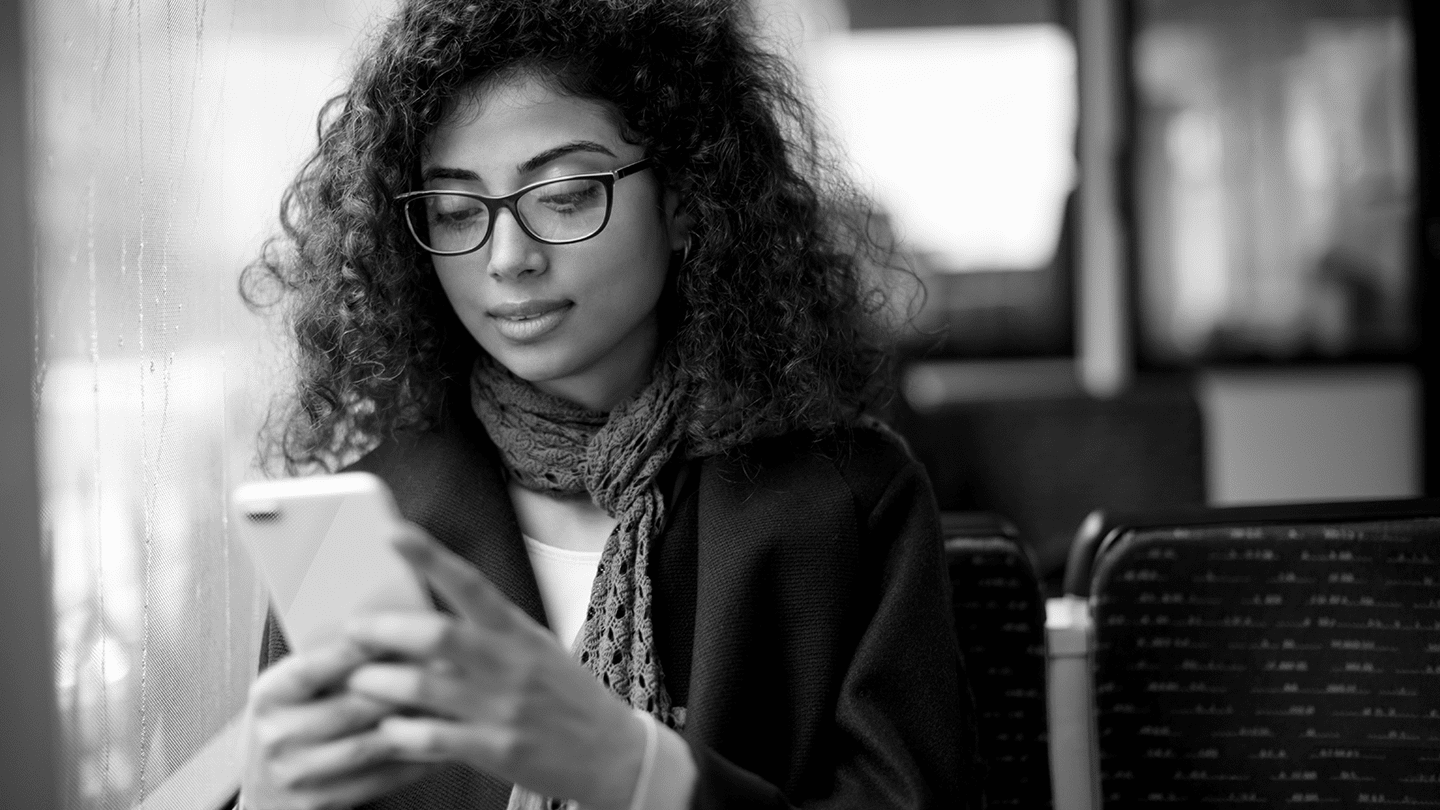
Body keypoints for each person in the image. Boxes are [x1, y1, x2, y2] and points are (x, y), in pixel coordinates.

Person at [237, 0, 979, 808]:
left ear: (687, 198)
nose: (507, 258)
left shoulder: (848, 502)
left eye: (563, 194)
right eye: (454, 211)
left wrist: (632, 770)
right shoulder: (365, 525)